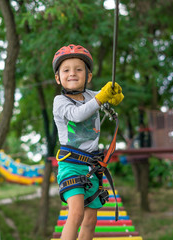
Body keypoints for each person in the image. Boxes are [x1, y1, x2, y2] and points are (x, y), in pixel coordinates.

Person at [52, 44, 124, 240]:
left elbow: (105, 99)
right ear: (58, 78)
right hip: (71, 165)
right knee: (76, 213)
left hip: (92, 167)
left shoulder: (93, 96)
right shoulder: (60, 102)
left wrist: (114, 96)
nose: (72, 73)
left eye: (78, 69)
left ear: (88, 76)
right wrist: (101, 98)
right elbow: (78, 114)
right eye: (66, 70)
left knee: (91, 219)